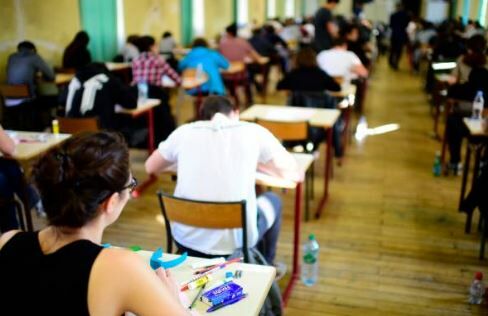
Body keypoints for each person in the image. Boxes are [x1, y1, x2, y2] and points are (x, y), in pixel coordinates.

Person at [0, 132, 190, 315]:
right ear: (112, 202)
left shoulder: (7, 241)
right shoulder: (119, 267)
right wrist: (172, 299)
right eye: (131, 184)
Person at [145, 96, 301, 267]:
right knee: (273, 201)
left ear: (202, 116)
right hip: (236, 245)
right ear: (235, 113)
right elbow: (294, 174)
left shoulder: (184, 132)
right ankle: (267, 267)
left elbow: (150, 167)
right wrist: (258, 164)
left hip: (185, 241)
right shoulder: (253, 132)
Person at [277, 48, 342, 155]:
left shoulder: (294, 74)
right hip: (320, 122)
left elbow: (279, 86)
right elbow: (337, 88)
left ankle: (300, 145)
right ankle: (314, 147)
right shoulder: (320, 73)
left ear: (297, 60)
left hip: (297, 121)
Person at [62, 63, 146, 146]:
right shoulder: (107, 79)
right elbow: (131, 103)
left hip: (71, 133)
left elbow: (62, 101)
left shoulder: (76, 80)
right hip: (99, 134)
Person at [132, 35, 181, 142]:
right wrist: (179, 82)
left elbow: (135, 79)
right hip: (156, 94)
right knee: (165, 112)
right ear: (151, 46)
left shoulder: (135, 60)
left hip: (139, 95)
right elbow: (175, 77)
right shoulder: (158, 60)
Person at [5, 41, 55, 131]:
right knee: (46, 101)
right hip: (25, 97)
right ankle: (44, 127)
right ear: (33, 49)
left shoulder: (11, 57)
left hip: (8, 97)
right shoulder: (34, 57)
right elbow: (51, 75)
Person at [388, 3, 410, 70]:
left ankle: (391, 61)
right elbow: (406, 25)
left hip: (394, 34)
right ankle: (396, 63)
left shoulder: (393, 15)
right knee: (399, 51)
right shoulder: (406, 16)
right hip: (401, 35)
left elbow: (391, 25)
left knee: (392, 49)